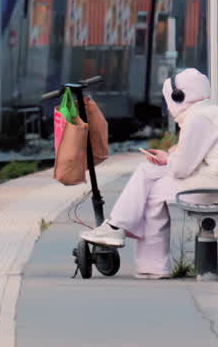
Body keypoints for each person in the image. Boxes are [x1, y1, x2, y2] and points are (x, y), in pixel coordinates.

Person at [82, 68, 218, 278]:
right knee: (152, 183)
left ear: (178, 96)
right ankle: (121, 232)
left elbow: (181, 169)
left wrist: (167, 159)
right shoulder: (208, 112)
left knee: (152, 185)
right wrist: (172, 154)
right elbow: (199, 155)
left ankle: (121, 232)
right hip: (210, 180)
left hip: (209, 187)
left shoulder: (198, 119)